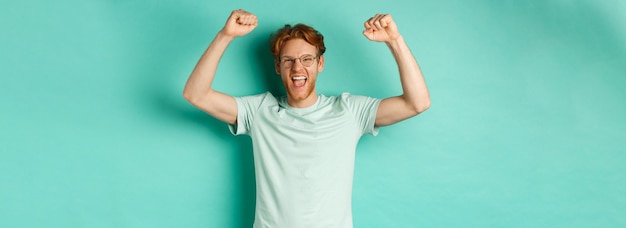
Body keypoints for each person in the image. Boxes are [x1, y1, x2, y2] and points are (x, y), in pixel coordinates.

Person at [183, 9, 430, 228]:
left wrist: (395, 41)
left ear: (320, 63)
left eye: (306, 59)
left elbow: (417, 103)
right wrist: (226, 35)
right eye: (288, 60)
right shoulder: (258, 111)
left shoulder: (349, 111)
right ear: (278, 67)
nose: (297, 68)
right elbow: (196, 94)